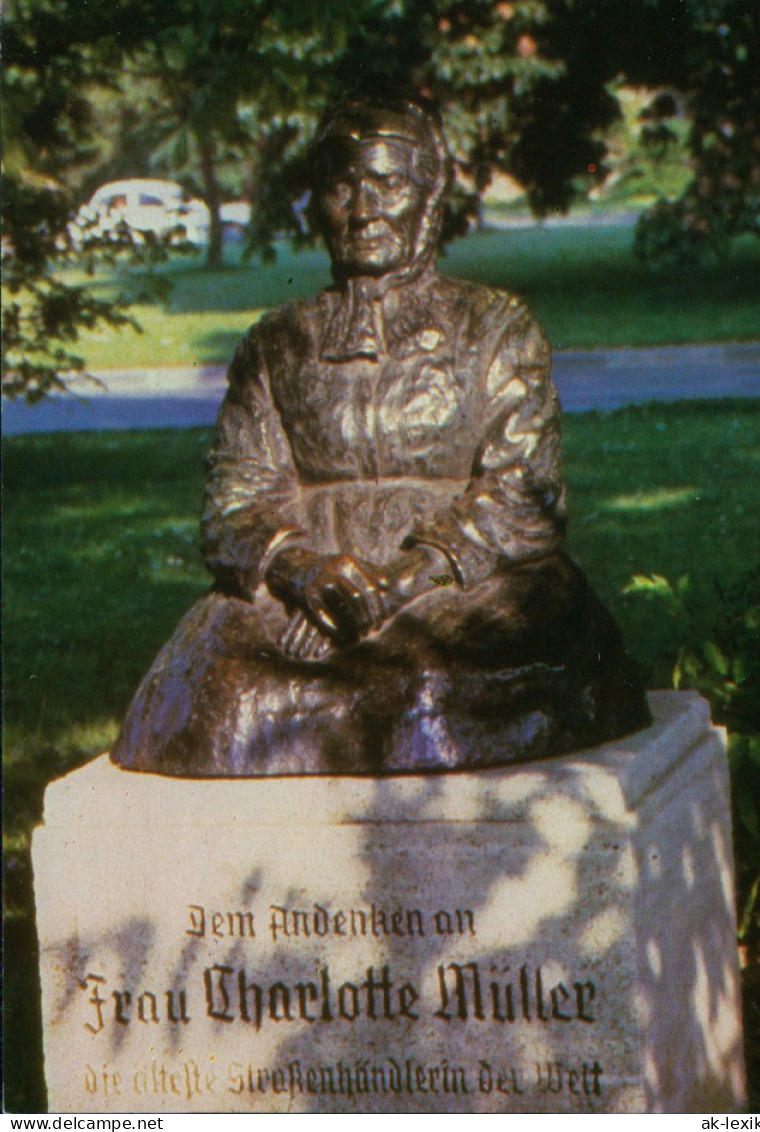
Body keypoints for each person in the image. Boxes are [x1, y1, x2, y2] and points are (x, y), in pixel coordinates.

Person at [111, 97, 649, 777]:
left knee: (427, 687)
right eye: (341, 186)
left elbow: (523, 494)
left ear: (429, 198)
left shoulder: (495, 328)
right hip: (303, 594)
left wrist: (402, 581)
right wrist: (304, 571)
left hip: (468, 583)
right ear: (317, 204)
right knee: (220, 700)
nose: (363, 209)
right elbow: (232, 504)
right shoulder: (278, 343)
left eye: (388, 184)